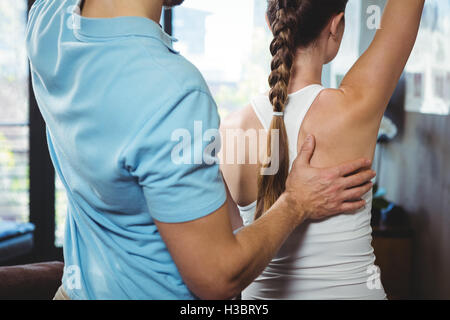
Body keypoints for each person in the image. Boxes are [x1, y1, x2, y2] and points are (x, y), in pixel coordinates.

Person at [27, 0, 375, 300]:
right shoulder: (172, 90)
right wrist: (296, 202)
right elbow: (218, 277)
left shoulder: (48, 22)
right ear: (336, 27)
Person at [220, 0, 425, 300]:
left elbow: (229, 251)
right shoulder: (355, 105)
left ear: (271, 23)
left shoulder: (230, 131)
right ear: (336, 26)